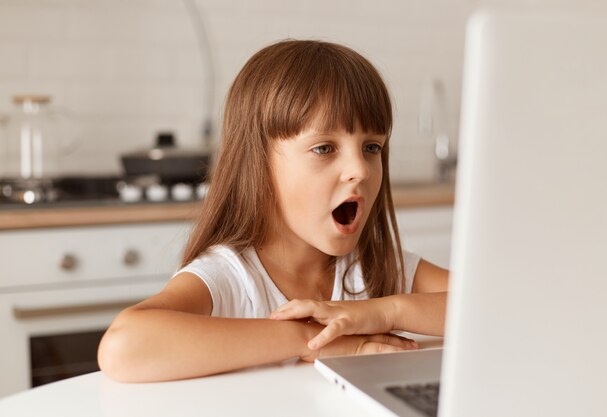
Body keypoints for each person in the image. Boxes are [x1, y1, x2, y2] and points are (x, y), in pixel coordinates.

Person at [98, 39, 449, 383]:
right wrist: (313, 341)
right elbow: (124, 346)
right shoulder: (231, 277)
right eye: (325, 148)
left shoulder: (376, 268)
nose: (361, 169)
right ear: (259, 164)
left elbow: (499, 306)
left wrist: (387, 311)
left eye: (372, 147)